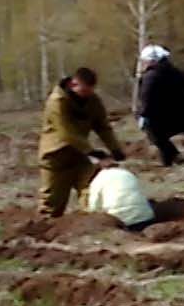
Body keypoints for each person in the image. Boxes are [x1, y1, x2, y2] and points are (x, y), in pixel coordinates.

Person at [39, 67, 127, 218]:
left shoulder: (93, 100)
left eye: (90, 91)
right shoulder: (57, 102)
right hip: (56, 158)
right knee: (52, 205)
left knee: (90, 192)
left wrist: (115, 149)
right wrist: (95, 153)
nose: (87, 95)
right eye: (84, 91)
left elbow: (102, 126)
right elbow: (66, 133)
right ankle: (45, 233)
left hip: (79, 156)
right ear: (73, 85)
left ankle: (88, 227)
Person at [133, 46, 184, 166]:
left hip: (160, 115)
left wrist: (142, 115)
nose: (143, 63)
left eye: (144, 60)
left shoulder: (151, 76)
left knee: (157, 136)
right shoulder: (174, 71)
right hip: (181, 113)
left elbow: (146, 98)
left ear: (152, 60)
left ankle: (171, 158)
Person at [85, 161, 155, 231]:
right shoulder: (126, 173)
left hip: (122, 221)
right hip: (145, 216)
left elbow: (94, 207)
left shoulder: (97, 181)